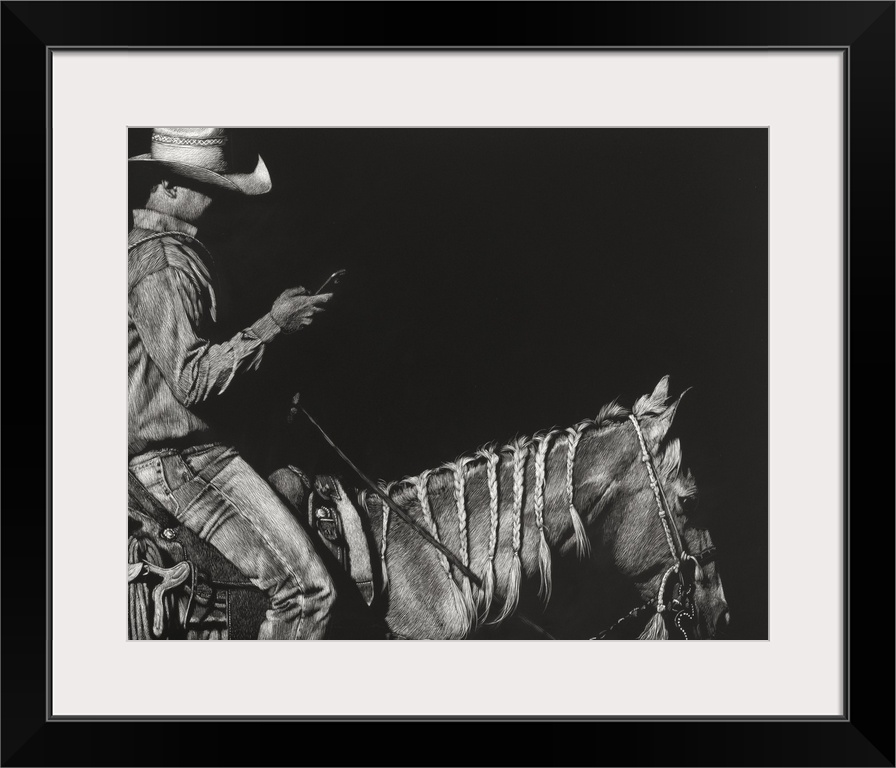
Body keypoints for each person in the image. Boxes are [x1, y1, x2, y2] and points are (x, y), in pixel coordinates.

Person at [128, 127, 335, 639]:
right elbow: (191, 380)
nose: (215, 199)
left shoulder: (158, 251)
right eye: (204, 186)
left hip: (188, 454)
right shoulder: (162, 261)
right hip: (184, 461)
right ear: (166, 186)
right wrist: (273, 326)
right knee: (308, 595)